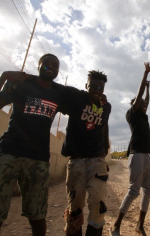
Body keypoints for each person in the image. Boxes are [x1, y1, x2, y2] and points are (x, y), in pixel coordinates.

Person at [0, 54, 67, 236]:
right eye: (46, 63)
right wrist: (4, 76)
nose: (50, 66)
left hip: (38, 160)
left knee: (37, 216)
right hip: (8, 153)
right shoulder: (22, 83)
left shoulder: (59, 93)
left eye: (55, 64)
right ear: (38, 65)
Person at [61, 71, 111, 236]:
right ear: (86, 86)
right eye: (93, 86)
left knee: (99, 205)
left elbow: (104, 126)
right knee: (74, 208)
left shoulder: (106, 106)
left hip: (97, 160)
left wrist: (105, 150)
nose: (97, 90)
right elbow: (58, 89)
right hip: (76, 162)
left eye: (100, 87)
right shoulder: (77, 99)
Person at [110, 62, 150, 236]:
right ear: (134, 105)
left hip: (149, 156)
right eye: (140, 102)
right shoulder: (132, 114)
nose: (144, 103)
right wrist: (145, 75)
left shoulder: (143, 115)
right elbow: (140, 95)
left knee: (148, 190)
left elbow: (146, 99)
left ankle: (140, 225)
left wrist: (149, 89)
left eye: (144, 102)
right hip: (137, 155)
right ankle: (116, 224)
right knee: (134, 191)